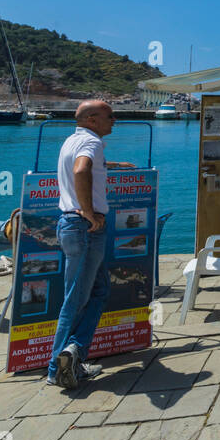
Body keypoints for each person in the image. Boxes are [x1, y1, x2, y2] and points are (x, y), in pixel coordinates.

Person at [46, 100, 136, 390]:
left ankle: (73, 354)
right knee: (75, 299)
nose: (115, 121)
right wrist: (87, 211)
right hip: (85, 227)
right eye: (111, 116)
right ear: (93, 119)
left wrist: (114, 165)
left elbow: (86, 167)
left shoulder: (73, 140)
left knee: (98, 291)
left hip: (72, 226)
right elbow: (82, 170)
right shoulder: (92, 143)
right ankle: (56, 367)